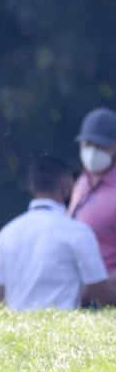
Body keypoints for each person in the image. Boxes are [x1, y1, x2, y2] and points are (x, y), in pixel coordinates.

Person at [0, 155, 116, 309]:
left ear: (32, 187)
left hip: (16, 329)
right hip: (65, 328)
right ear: (67, 187)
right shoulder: (79, 232)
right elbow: (102, 295)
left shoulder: (7, 233)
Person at [68, 107, 116, 274]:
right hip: (75, 288)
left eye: (101, 145)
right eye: (88, 144)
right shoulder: (82, 182)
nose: (93, 151)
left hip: (107, 292)